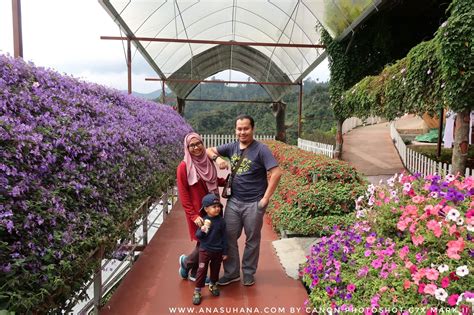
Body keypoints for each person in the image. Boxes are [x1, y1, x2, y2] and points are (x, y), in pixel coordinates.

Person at [206, 114, 282, 286]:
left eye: (246, 128)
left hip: (254, 203)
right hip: (234, 202)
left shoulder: (261, 150)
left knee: (252, 240)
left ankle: (248, 272)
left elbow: (276, 173)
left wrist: (265, 199)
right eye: (239, 129)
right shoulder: (231, 147)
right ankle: (232, 273)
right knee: (228, 236)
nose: (242, 132)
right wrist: (217, 159)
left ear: (253, 129)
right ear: (235, 130)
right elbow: (208, 150)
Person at [177, 132, 224, 281]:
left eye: (198, 144)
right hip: (198, 212)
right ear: (187, 147)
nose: (196, 147)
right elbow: (183, 194)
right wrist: (193, 215)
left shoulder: (207, 161)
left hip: (213, 208)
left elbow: (211, 179)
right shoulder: (184, 167)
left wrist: (226, 182)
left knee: (206, 240)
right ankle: (189, 266)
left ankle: (190, 269)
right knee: (205, 241)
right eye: (192, 145)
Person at [192, 193, 228, 305]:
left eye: (218, 206)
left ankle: (213, 284)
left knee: (215, 269)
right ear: (206, 209)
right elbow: (198, 236)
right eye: (214, 207)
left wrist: (225, 251)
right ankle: (197, 291)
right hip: (205, 251)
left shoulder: (221, 221)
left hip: (218, 251)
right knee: (202, 270)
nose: (217, 209)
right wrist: (203, 229)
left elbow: (224, 237)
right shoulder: (203, 220)